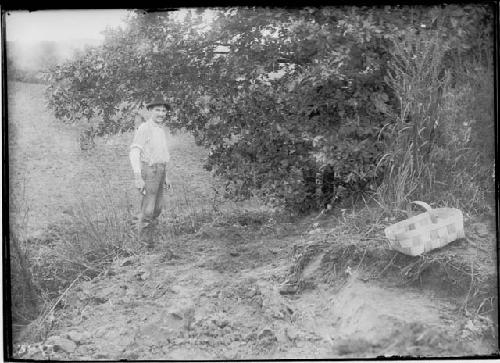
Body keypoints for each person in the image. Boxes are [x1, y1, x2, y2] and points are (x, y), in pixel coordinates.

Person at [129, 96, 172, 247]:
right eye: (157, 110)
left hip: (160, 170)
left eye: (163, 111)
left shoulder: (161, 129)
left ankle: (150, 239)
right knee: (148, 210)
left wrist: (166, 176)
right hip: (149, 171)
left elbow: (162, 154)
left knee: (158, 208)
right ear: (150, 111)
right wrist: (138, 177)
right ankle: (143, 245)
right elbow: (134, 152)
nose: (161, 113)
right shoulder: (144, 128)